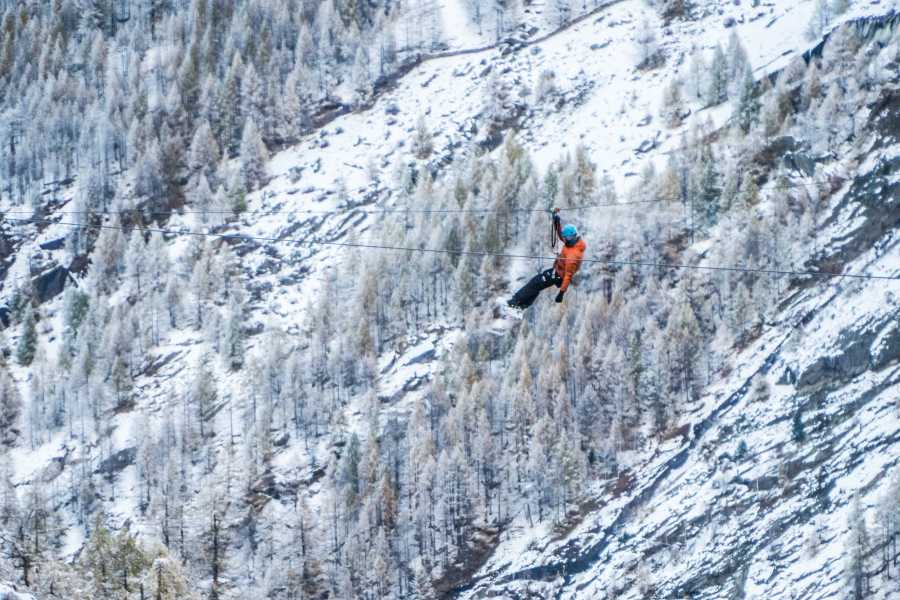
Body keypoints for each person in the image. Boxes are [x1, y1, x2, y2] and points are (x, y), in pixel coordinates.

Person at [508, 209, 586, 310]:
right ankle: (521, 305)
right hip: (557, 271)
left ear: (570, 237)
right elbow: (561, 236)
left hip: (558, 276)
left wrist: (561, 293)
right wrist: (556, 221)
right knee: (536, 284)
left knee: (535, 283)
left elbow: (568, 275)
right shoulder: (573, 242)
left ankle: (515, 302)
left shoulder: (573, 255)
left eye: (565, 238)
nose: (564, 239)